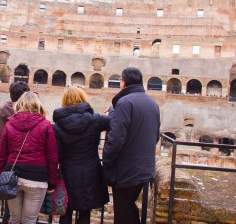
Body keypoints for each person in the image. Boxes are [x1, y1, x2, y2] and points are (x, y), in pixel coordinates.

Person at [102, 67, 160, 224]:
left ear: (123, 83)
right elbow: (155, 136)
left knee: (123, 212)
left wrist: (107, 162)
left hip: (126, 169)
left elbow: (116, 139)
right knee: (128, 207)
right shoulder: (153, 104)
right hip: (144, 167)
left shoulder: (124, 102)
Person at [53, 87, 111, 224]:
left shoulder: (58, 125)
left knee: (65, 211)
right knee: (85, 212)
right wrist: (111, 110)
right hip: (91, 171)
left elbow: (58, 153)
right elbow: (115, 121)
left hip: (67, 172)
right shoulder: (96, 120)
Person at [0, 91, 58, 224]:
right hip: (36, 177)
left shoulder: (10, 124)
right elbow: (52, 157)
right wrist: (52, 181)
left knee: (14, 218)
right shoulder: (46, 124)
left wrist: (3, 175)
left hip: (12, 175)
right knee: (29, 220)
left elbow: (3, 153)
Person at [0, 81, 30, 224]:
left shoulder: (2, 112)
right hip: (14, 166)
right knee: (16, 212)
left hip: (0, 164)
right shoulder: (20, 118)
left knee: (10, 210)